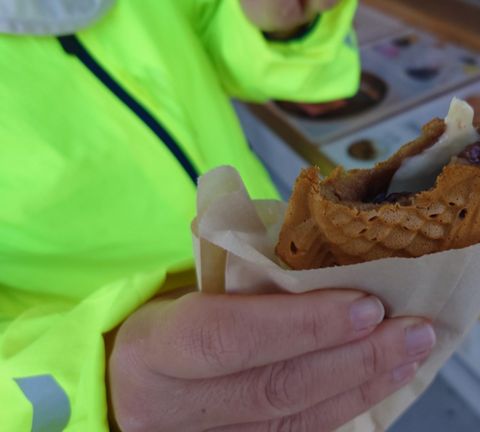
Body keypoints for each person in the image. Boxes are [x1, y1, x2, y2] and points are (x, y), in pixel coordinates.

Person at [0, 1, 436, 430]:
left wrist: (277, 25)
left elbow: (216, 37)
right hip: (152, 397)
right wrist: (88, 390)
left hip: (289, 263)